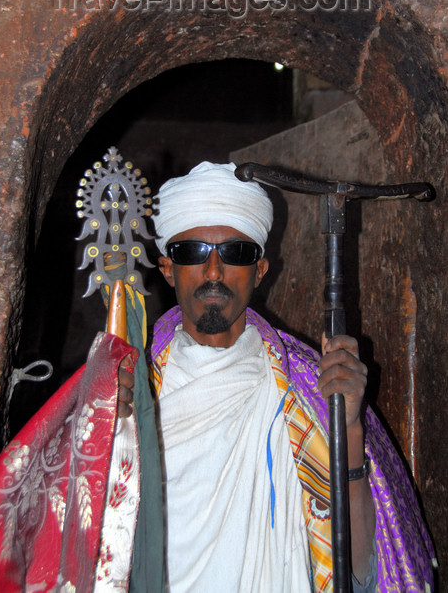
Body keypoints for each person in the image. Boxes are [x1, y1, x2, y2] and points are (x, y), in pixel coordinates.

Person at [117, 161, 436, 592]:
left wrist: (352, 428)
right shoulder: (130, 391)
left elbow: (361, 573)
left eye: (236, 253)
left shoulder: (305, 391)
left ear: (260, 271)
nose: (214, 272)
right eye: (192, 252)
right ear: (168, 268)